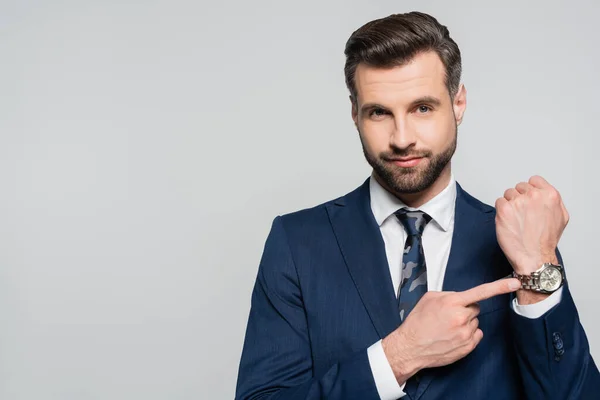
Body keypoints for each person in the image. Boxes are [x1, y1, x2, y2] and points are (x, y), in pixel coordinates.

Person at [234, 11, 600, 400]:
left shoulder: (520, 240)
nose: (402, 138)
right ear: (355, 114)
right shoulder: (296, 243)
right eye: (379, 112)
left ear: (458, 103)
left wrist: (539, 264)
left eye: (422, 108)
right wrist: (398, 356)